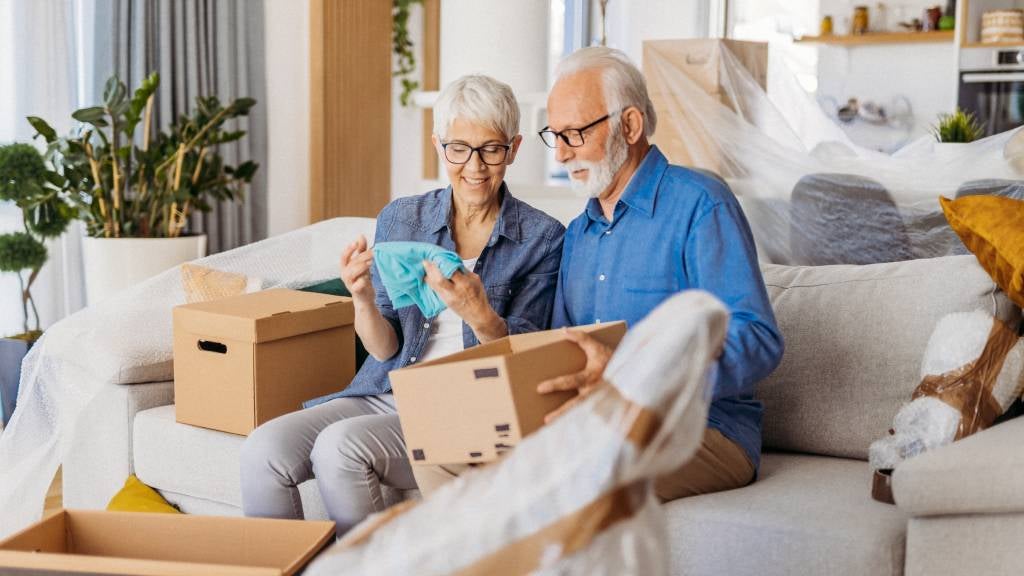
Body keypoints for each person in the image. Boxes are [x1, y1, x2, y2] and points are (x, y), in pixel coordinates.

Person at [240, 74, 565, 534]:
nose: (474, 166)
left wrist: (482, 316)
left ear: (513, 148)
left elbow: (531, 356)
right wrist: (362, 298)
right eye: (458, 148)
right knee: (263, 449)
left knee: (339, 448)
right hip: (386, 392)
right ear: (438, 145)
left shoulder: (542, 238)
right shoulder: (402, 217)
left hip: (468, 407)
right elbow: (384, 349)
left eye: (490, 149)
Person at [536, 46, 783, 501]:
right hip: (601, 425)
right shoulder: (577, 235)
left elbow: (759, 339)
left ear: (629, 125)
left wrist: (643, 375)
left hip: (704, 428)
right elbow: (563, 349)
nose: (563, 155)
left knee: (573, 481)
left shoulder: (701, 204)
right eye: (555, 136)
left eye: (574, 134)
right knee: (474, 468)